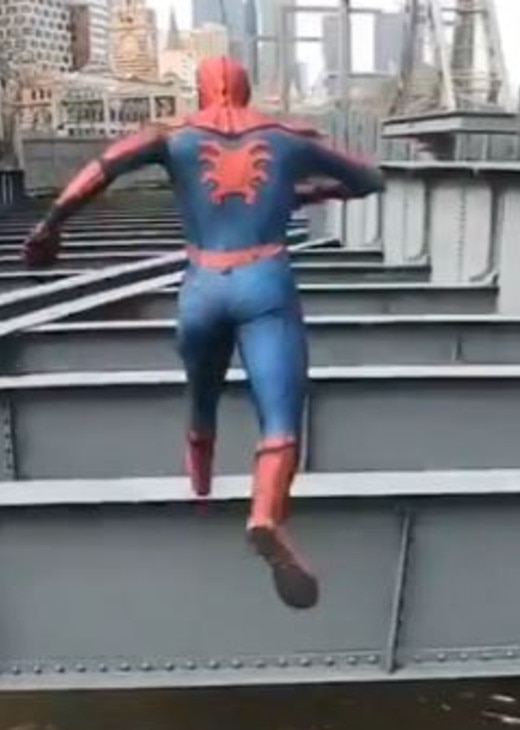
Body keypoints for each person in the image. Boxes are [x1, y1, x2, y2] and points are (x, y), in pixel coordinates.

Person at [21, 56, 385, 610]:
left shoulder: (172, 135)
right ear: (246, 87)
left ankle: (200, 490)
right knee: (281, 419)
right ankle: (264, 516)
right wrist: (309, 194)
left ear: (202, 89)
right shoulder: (288, 137)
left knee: (202, 396)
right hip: (265, 279)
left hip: (203, 285)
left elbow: (103, 168)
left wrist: (50, 226)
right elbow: (369, 178)